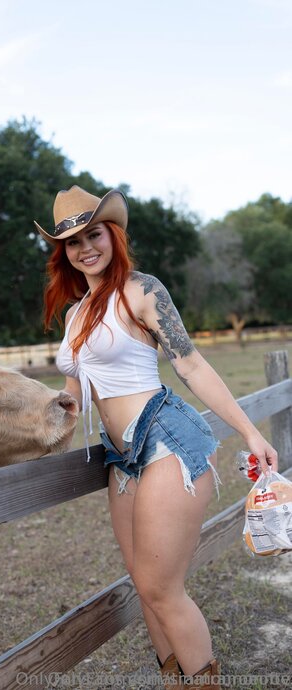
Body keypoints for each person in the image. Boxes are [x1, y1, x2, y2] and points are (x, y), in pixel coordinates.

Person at [35, 186, 278, 690]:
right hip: (121, 457)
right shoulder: (76, 313)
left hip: (166, 440)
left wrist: (250, 431)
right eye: (73, 242)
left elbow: (191, 365)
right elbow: (74, 393)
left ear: (113, 234)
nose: (85, 248)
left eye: (94, 235)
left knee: (162, 589)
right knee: (144, 586)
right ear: (63, 252)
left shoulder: (142, 290)